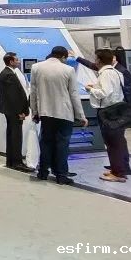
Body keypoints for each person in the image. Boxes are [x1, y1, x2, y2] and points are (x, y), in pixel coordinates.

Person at [30, 46, 87, 185]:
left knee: (46, 143)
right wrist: (81, 115)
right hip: (64, 114)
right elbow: (74, 94)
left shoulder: (36, 67)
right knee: (62, 145)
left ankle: (43, 172)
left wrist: (35, 112)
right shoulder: (68, 70)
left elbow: (33, 93)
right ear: (63, 57)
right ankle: (61, 175)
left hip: (45, 113)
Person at [85, 49, 130, 182]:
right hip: (117, 109)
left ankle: (118, 173)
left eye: (96, 58)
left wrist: (91, 89)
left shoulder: (105, 74)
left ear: (99, 60)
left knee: (112, 143)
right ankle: (118, 169)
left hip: (108, 112)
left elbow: (105, 93)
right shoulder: (116, 72)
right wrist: (96, 86)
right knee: (117, 142)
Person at [0, 52, 34, 172]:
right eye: (16, 60)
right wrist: (21, 111)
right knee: (16, 136)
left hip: (10, 110)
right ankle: (17, 162)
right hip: (14, 111)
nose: (18, 62)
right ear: (11, 61)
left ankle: (11, 161)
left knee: (12, 135)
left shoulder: (7, 73)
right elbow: (14, 96)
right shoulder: (9, 75)